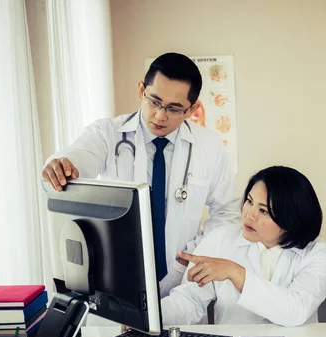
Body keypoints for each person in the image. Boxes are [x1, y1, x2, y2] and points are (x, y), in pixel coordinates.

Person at [41, 53, 240, 297]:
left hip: (183, 284)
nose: (160, 115)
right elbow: (80, 157)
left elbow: (227, 213)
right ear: (140, 90)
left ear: (192, 109)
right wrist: (61, 166)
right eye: (154, 101)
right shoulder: (108, 134)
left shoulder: (209, 147)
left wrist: (194, 257)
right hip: (115, 280)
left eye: (174, 108)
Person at [160, 166, 326, 326]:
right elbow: (189, 301)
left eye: (263, 211)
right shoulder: (220, 239)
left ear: (290, 220)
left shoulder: (319, 253)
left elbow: (296, 310)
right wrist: (149, 319)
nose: (249, 216)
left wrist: (236, 273)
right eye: (250, 202)